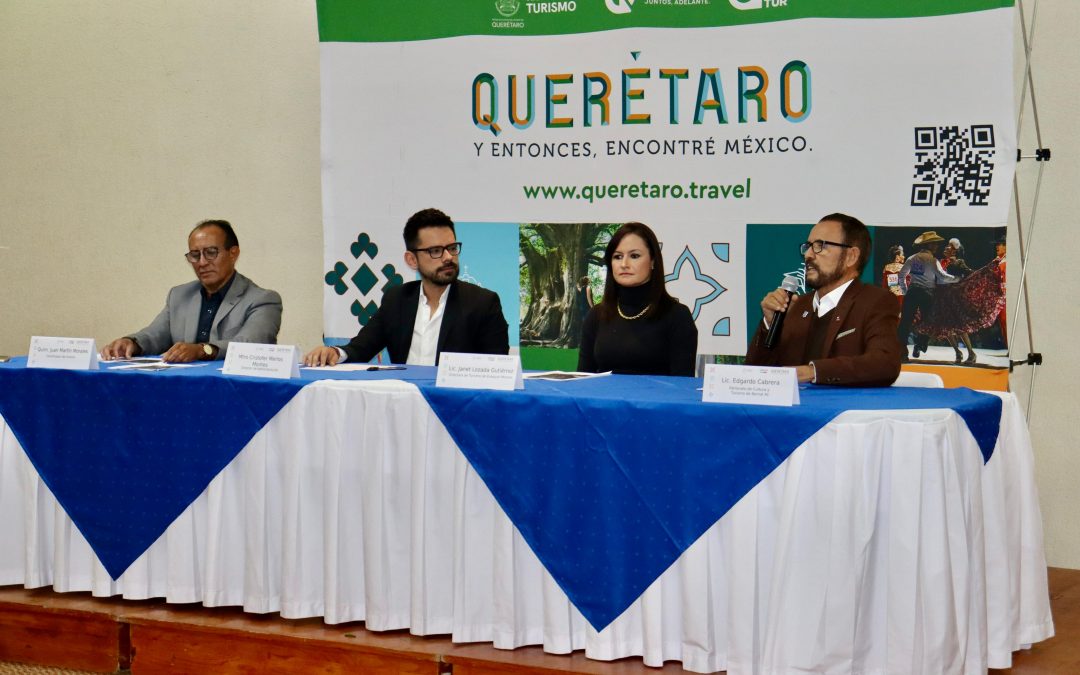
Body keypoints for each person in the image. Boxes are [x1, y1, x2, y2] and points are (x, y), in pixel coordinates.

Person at [303, 208, 509, 366]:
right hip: (405, 408)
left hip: (456, 410)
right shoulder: (397, 299)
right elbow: (361, 348)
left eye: (452, 248)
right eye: (436, 250)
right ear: (411, 260)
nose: (448, 257)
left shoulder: (483, 303)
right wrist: (335, 353)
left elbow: (496, 371)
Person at [746, 213, 902, 386]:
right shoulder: (796, 306)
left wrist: (812, 371)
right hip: (791, 412)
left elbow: (884, 363)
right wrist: (770, 325)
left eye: (820, 246)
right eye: (808, 246)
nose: (808, 255)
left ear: (851, 256)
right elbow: (755, 375)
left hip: (841, 410)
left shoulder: (875, 302)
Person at [101, 220, 282, 362]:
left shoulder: (263, 300)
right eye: (195, 255)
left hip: (233, 391)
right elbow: (154, 335)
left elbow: (250, 346)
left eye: (211, 252)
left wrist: (201, 350)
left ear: (233, 253)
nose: (202, 262)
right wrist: (132, 342)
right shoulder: (179, 295)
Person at [577, 222, 697, 376]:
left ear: (653, 261)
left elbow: (683, 388)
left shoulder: (677, 316)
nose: (624, 264)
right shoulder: (596, 315)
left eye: (634, 256)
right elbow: (582, 381)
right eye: (617, 257)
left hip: (657, 400)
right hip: (603, 400)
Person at [896, 231, 957, 360]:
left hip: (912, 292)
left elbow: (901, 276)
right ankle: (920, 344)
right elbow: (942, 277)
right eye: (934, 244)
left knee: (905, 323)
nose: (936, 246)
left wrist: (906, 291)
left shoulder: (912, 258)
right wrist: (957, 279)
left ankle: (901, 351)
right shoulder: (933, 260)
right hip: (927, 295)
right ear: (929, 245)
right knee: (928, 322)